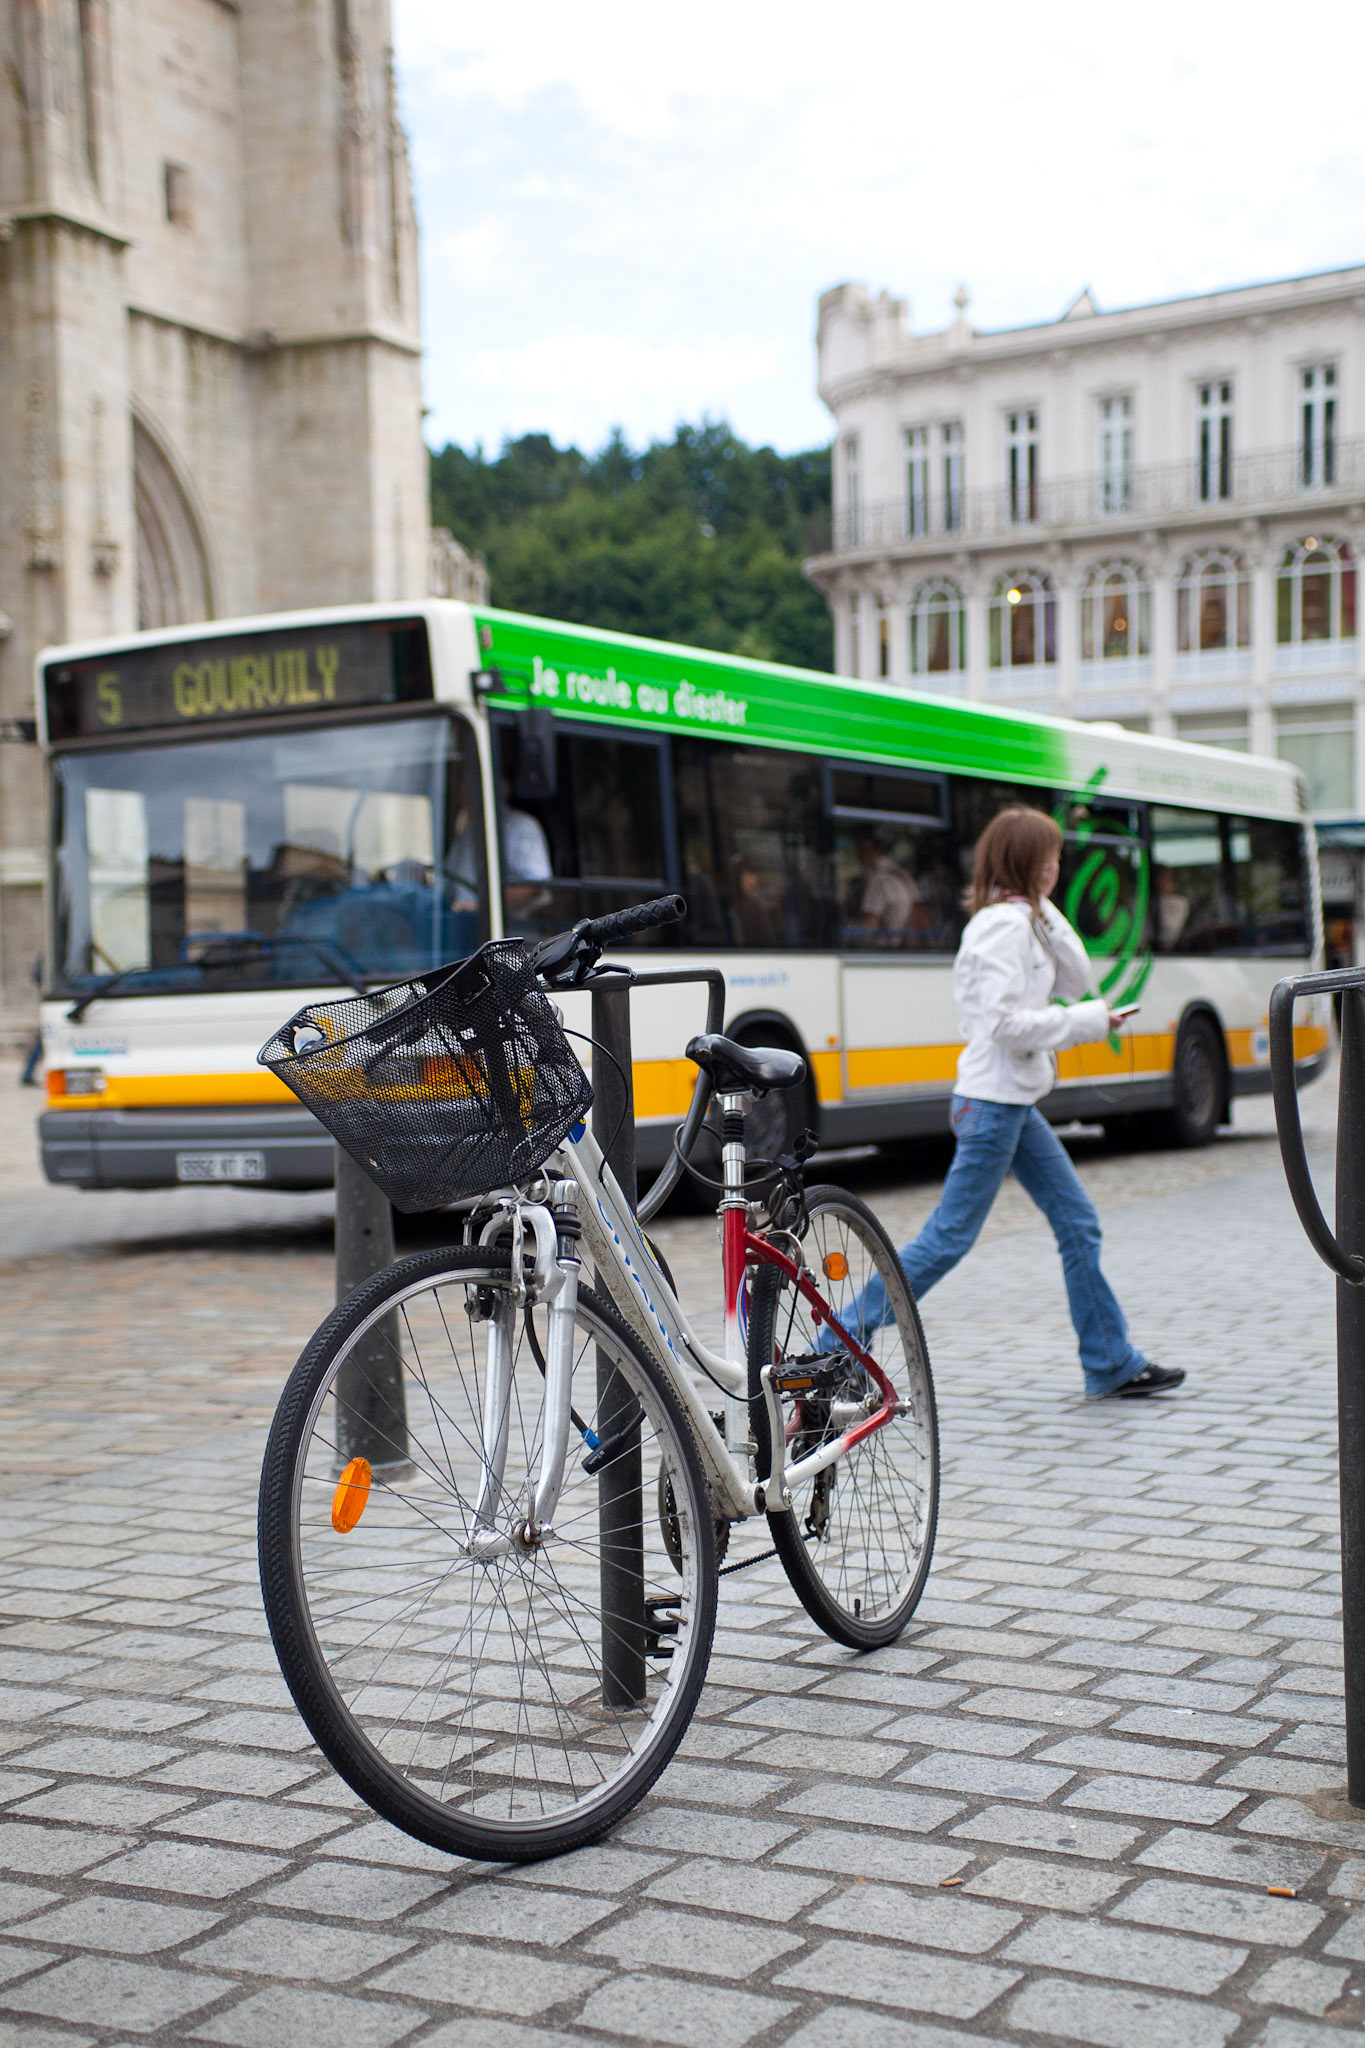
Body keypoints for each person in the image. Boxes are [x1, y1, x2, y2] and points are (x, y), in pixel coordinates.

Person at [838, 805, 1183, 1400]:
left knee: (1078, 1222)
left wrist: (1043, 908)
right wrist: (1087, 1022)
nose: (1057, 865)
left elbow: (1077, 978)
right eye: (1047, 857)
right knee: (947, 1240)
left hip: (1010, 1104)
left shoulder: (1024, 920)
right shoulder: (1002, 926)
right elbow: (1003, 1023)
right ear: (1026, 861)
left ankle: (1110, 1361)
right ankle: (838, 1337)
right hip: (993, 1105)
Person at [851, 830, 919, 940]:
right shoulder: (903, 875)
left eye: (856, 847)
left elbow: (870, 925)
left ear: (867, 847)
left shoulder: (879, 879)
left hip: (889, 950)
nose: (855, 853)